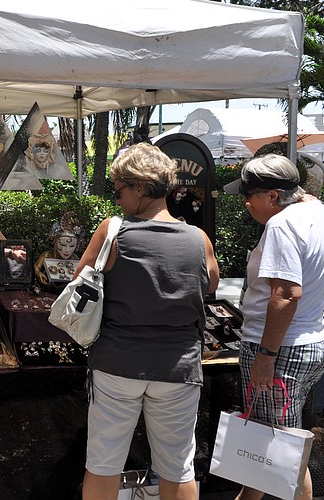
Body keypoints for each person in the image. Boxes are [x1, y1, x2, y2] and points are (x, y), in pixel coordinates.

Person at [77, 142, 219, 500]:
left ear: (139, 187)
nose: (117, 199)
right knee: (178, 467)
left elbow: (79, 284)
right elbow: (210, 285)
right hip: (177, 367)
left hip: (117, 363)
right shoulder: (198, 239)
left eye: (119, 191)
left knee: (103, 464)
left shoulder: (113, 231)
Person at [223, 154, 324, 500]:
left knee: (284, 451)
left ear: (273, 196)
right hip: (309, 340)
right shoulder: (317, 210)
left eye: (249, 195)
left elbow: (286, 293)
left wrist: (266, 355)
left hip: (281, 348)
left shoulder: (282, 225)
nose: (245, 202)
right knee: (268, 440)